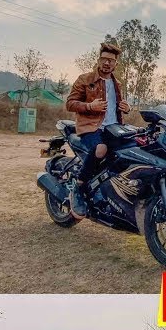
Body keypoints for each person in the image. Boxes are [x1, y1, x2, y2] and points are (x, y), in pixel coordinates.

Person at [65, 41, 130, 219]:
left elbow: (117, 107)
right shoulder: (85, 79)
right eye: (104, 59)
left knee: (131, 151)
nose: (107, 63)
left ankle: (114, 192)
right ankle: (79, 186)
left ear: (116, 64)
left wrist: (125, 108)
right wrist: (90, 106)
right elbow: (70, 103)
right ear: (99, 60)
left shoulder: (117, 84)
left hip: (113, 128)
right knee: (100, 149)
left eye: (111, 60)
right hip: (90, 127)